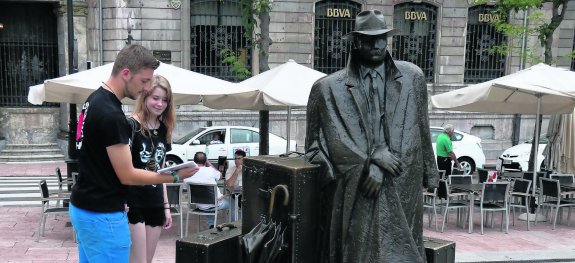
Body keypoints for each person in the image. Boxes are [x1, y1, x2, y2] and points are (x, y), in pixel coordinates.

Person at [305, 10, 439, 263]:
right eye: (369, 39)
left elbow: (421, 127)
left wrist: (430, 172)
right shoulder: (327, 88)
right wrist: (369, 160)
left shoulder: (413, 77)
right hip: (357, 191)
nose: (377, 45)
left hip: (402, 183)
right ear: (355, 41)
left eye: (381, 38)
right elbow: (314, 148)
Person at [70, 44, 199, 263]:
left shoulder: (92, 101)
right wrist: (174, 176)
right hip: (103, 214)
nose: (146, 88)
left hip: (84, 208)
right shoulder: (113, 115)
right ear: (126, 73)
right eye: (144, 81)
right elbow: (127, 175)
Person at [126, 75, 176, 263]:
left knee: (147, 260)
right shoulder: (131, 124)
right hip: (133, 200)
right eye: (155, 98)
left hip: (155, 201)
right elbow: (122, 168)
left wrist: (166, 207)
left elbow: (161, 173)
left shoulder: (164, 129)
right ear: (145, 97)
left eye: (165, 100)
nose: (160, 103)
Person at [183, 151, 234, 228]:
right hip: (216, 204)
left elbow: (185, 189)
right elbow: (220, 176)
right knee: (233, 202)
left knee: (206, 200)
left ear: (194, 161)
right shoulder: (211, 170)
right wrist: (209, 164)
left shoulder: (188, 174)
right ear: (205, 160)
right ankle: (231, 226)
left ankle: (211, 225)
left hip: (200, 205)